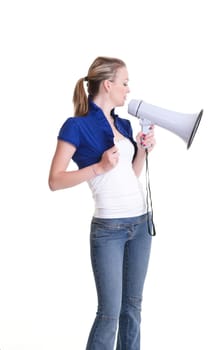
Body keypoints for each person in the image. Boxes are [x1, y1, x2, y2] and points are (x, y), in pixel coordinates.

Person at [48, 56, 156, 350]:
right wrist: (98, 167)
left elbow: (129, 176)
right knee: (109, 314)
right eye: (124, 82)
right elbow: (55, 180)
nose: (128, 89)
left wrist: (143, 151)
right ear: (108, 85)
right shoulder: (76, 126)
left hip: (140, 225)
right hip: (109, 230)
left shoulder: (122, 124)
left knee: (132, 309)